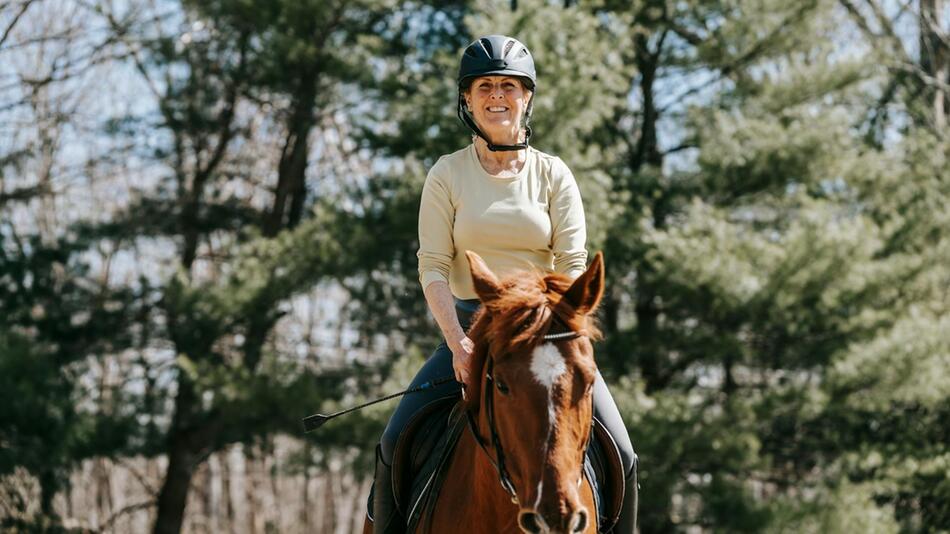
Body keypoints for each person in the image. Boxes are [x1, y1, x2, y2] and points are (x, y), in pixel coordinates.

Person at [369, 35, 638, 533]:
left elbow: (573, 261)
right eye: (486, 86)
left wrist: (565, 325)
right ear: (467, 100)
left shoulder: (554, 174)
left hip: (547, 331)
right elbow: (432, 264)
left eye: (509, 86)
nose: (498, 95)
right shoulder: (446, 174)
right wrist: (458, 342)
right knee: (393, 442)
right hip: (473, 324)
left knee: (623, 451)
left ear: (526, 97)